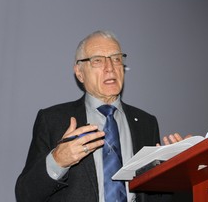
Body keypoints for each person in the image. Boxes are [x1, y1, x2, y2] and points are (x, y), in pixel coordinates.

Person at [15, 30, 187, 202]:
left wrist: (179, 172)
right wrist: (57, 161)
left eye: (116, 59)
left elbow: (155, 196)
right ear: (79, 72)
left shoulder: (146, 123)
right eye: (97, 60)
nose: (110, 68)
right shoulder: (52, 120)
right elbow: (25, 194)